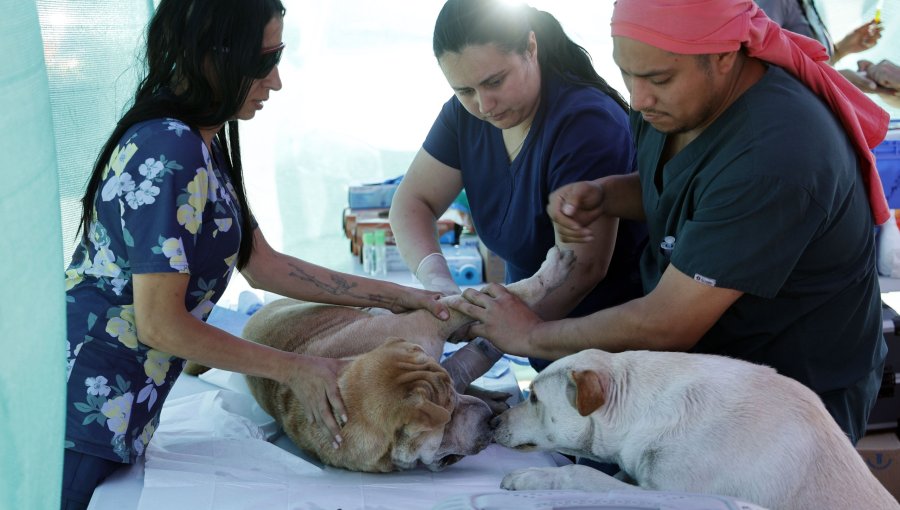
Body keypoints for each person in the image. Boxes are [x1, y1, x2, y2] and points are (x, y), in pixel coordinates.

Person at [61, 1, 449, 507]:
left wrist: (398, 296)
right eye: (265, 59)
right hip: (79, 412)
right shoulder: (169, 150)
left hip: (117, 409)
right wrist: (293, 368)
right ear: (212, 54)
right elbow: (159, 324)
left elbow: (262, 262)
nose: (276, 81)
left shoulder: (202, 137)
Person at [451, 0, 890, 446]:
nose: (638, 99)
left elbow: (667, 322)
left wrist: (531, 334)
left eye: (658, 78)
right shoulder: (671, 105)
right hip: (705, 376)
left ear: (723, 56)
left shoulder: (777, 155)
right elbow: (686, 188)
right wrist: (607, 194)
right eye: (627, 73)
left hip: (789, 400)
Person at [389, 0, 647, 371]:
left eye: (495, 82)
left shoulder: (586, 123)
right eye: (464, 90)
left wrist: (478, 355)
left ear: (531, 48)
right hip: (533, 344)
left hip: (605, 355)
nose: (484, 104)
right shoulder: (465, 116)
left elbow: (580, 270)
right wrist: (439, 285)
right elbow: (413, 202)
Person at [755, 0, 898, 103]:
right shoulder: (772, 3)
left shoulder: (809, 5)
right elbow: (761, 75)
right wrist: (836, 81)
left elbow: (803, 62)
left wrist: (841, 49)